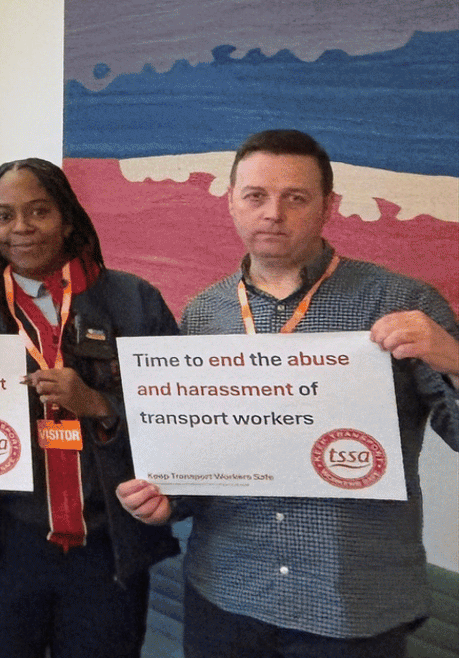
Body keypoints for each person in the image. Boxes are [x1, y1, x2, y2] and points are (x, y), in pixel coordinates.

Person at [118, 129, 459, 658]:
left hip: (352, 601)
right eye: (255, 196)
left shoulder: (400, 301)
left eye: (295, 197)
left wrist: (454, 360)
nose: (272, 213)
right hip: (226, 589)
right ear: (231, 202)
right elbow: (202, 454)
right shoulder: (205, 314)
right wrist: (166, 501)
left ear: (328, 206)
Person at [0, 158, 177, 658]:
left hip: (104, 544)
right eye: (4, 216)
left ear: (67, 218)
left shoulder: (134, 301)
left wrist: (97, 405)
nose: (20, 228)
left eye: (38, 211)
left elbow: (178, 420)